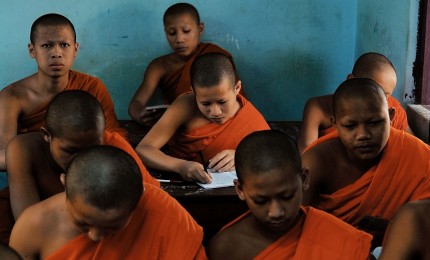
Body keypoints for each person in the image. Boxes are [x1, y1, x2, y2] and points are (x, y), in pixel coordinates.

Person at [9, 145, 206, 259]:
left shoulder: (166, 217)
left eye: (113, 227)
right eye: (83, 223)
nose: (95, 236)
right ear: (66, 186)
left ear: (139, 201)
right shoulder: (33, 226)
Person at [301, 78, 430, 248]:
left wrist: (389, 226)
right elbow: (296, 226)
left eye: (375, 122)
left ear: (391, 117)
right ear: (335, 125)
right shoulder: (317, 161)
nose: (363, 135)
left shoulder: (416, 154)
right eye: (350, 126)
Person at [208, 130, 372, 259]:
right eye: (261, 200)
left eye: (286, 197)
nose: (276, 212)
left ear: (304, 179)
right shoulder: (226, 248)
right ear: (240, 190)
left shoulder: (339, 238)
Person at [6, 90, 159, 222]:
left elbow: (151, 200)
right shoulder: (23, 150)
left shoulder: (111, 143)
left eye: (92, 149)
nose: (82, 160)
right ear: (47, 135)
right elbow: (26, 222)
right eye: (71, 151)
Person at [0, 13, 124, 172]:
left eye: (64, 45)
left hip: (86, 173)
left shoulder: (92, 87)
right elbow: (3, 155)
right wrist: (55, 155)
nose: (56, 53)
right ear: (32, 50)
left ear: (75, 49)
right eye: (46, 45)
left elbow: (113, 139)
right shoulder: (12, 97)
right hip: (34, 175)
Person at [136, 52, 269, 183]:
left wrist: (241, 156)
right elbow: (144, 149)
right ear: (194, 93)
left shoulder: (250, 118)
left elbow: (273, 153)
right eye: (205, 103)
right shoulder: (185, 105)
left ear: (237, 88)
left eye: (222, 102)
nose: (215, 112)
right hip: (181, 185)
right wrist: (180, 166)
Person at [128, 2, 245, 126]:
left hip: (221, 122)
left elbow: (237, 100)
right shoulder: (159, 66)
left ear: (200, 29)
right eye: (172, 33)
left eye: (186, 31)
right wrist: (141, 115)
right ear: (165, 32)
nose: (179, 39)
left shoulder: (217, 57)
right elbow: (136, 104)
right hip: (178, 127)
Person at [298, 52, 413, 154]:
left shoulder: (392, 109)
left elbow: (413, 149)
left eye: (386, 95)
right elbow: (306, 154)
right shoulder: (318, 107)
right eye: (373, 90)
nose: (379, 99)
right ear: (351, 79)